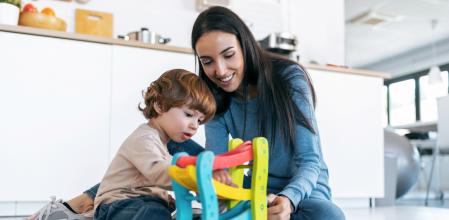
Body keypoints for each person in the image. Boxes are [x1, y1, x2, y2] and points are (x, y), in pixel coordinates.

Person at [30, 6, 346, 220]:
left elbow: (310, 161)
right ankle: (87, 201)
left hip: (301, 194)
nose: (220, 71)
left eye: (228, 55)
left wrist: (288, 200)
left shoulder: (288, 78)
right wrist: (220, 196)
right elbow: (216, 160)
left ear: (244, 45)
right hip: (253, 190)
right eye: (207, 61)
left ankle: (100, 202)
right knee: (171, 138)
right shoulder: (217, 97)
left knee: (328, 215)